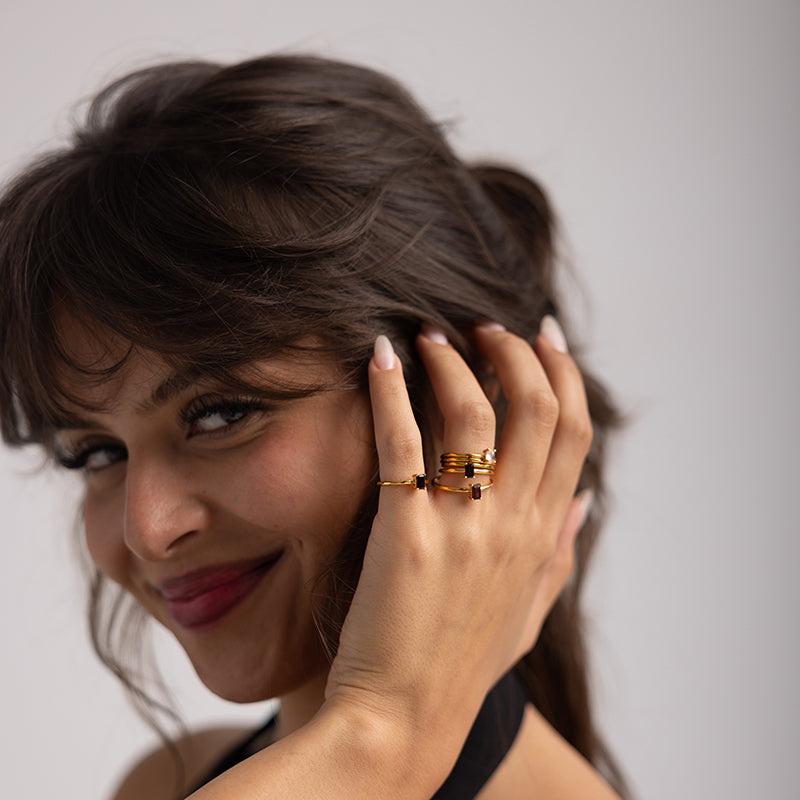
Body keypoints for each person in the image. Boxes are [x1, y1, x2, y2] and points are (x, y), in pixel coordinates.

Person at [0, 54, 627, 799]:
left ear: (462, 402)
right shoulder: (163, 783)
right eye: (97, 453)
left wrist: (380, 736)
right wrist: (379, 740)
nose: (147, 531)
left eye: (222, 414)